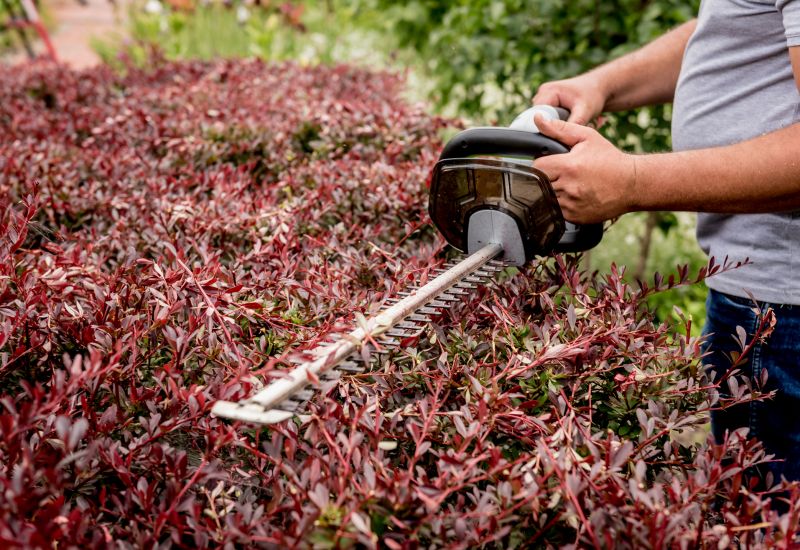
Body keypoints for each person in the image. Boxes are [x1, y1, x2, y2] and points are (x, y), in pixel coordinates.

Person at [531, 2, 800, 484]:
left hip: (785, 315)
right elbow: (736, 26)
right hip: (759, 297)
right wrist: (604, 84)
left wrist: (631, 181)